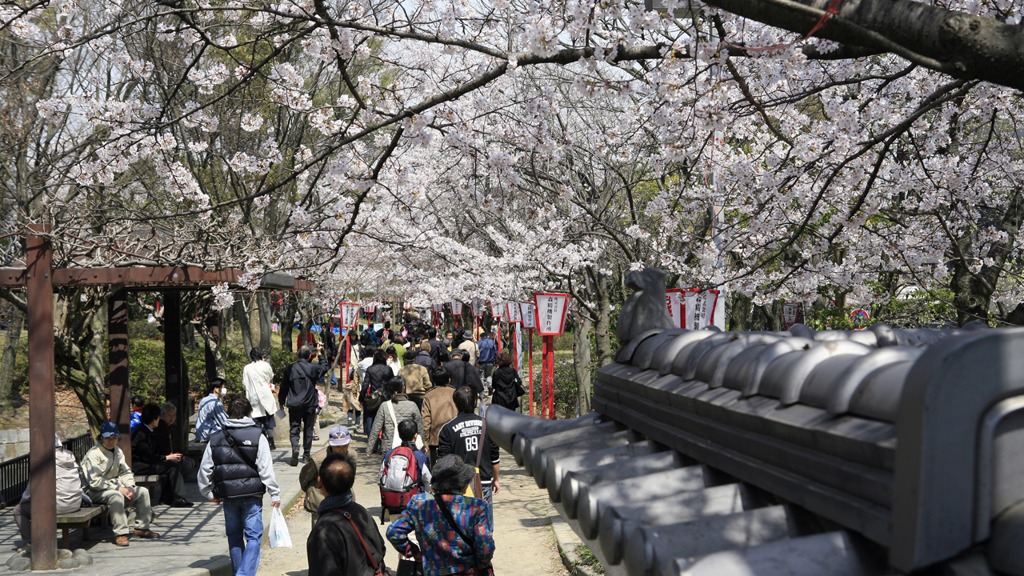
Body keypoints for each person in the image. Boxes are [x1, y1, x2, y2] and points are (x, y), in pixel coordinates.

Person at [197, 395, 281, 576]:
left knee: (234, 537)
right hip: (252, 494)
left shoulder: (216, 437)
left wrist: (208, 493)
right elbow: (265, 468)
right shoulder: (258, 435)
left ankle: (240, 572)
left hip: (228, 495)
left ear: (228, 412)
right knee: (253, 537)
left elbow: (204, 469)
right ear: (249, 411)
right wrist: (274, 493)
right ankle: (244, 574)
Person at [386, 455, 495, 575]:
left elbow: (393, 532)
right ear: (461, 483)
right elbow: (485, 548)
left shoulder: (419, 504)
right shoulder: (476, 507)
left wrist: (414, 552)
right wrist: (481, 565)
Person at [306, 453, 387, 576]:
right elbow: (380, 549)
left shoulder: (323, 530)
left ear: (319, 482)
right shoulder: (362, 513)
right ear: (352, 482)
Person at [81, 422, 158, 547]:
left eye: (114, 438)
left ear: (118, 438)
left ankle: (142, 528)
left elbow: (125, 471)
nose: (110, 441)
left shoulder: (118, 451)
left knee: (142, 491)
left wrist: (130, 486)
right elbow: (95, 481)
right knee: (115, 496)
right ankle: (121, 533)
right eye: (107, 438)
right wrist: (118, 488)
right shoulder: (93, 454)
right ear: (101, 438)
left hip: (115, 486)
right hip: (94, 491)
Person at [438, 386, 500, 530]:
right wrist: (496, 479)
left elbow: (443, 462)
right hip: (482, 482)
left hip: (458, 485)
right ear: (475, 403)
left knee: (461, 527)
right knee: (484, 526)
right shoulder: (487, 425)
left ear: (456, 404)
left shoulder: (447, 429)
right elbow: (494, 457)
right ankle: (485, 550)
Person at [15, 435, 83, 543]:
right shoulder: (69, 456)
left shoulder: (44, 460)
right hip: (75, 503)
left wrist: (23, 501)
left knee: (18, 510)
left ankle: (31, 543)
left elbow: (30, 490)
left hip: (59, 506)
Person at [132, 403, 192, 507]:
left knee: (174, 464)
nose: (160, 420)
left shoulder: (148, 431)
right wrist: (166, 457)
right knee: (172, 466)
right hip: (140, 466)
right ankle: (177, 497)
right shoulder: (142, 433)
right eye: (158, 417)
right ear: (154, 419)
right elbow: (147, 457)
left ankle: (169, 497)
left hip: (147, 463)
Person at [279, 344, 329, 466]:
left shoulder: (290, 369)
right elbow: (324, 367)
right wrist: (320, 353)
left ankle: (295, 448)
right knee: (308, 429)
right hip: (310, 403)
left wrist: (281, 401)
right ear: (309, 356)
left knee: (294, 428)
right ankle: (306, 456)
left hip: (294, 403)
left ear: (297, 355)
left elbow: (284, 387)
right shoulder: (313, 368)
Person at [300, 425, 351, 527]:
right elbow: (305, 477)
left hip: (344, 499)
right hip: (321, 500)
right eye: (337, 446)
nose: (341, 449)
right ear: (331, 445)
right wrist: (312, 491)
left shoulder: (352, 455)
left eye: (344, 445)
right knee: (319, 533)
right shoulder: (317, 459)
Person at [368, 377, 424, 456]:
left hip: (388, 447)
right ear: (404, 387)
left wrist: (369, 449)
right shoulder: (412, 405)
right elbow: (420, 428)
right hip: (409, 448)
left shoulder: (384, 405)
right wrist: (423, 445)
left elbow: (376, 428)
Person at [242, 347, 278, 449]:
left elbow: (245, 384)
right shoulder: (265, 365)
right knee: (268, 419)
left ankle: (258, 441)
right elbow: (270, 376)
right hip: (266, 394)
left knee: (256, 419)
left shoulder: (247, 368)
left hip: (253, 397)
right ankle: (271, 441)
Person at [421, 368, 457, 465]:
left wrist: (426, 441)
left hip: (435, 439)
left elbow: (426, 421)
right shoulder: (455, 393)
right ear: (449, 379)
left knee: (436, 470)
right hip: (455, 437)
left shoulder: (429, 396)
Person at [361, 348, 395, 437]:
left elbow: (365, 385)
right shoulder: (388, 370)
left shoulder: (370, 369)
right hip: (386, 398)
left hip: (374, 398)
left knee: (370, 416)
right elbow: (393, 383)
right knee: (386, 419)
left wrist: (361, 397)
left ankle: (370, 436)